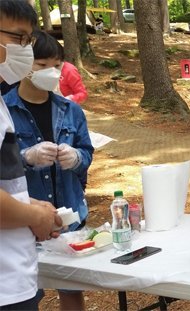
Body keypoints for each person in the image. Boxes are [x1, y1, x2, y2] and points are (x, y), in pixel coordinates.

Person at [5, 30, 94, 311]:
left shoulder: (70, 110)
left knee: (71, 287)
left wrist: (76, 157)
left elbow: (87, 153)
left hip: (69, 214)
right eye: (42, 65)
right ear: (25, 65)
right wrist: (26, 157)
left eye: (57, 65)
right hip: (22, 218)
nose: (51, 72)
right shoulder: (5, 109)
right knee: (30, 292)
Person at [0, 2, 62, 310]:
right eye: (18, 37)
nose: (24, 49)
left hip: (14, 276)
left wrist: (31, 205)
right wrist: (34, 216)